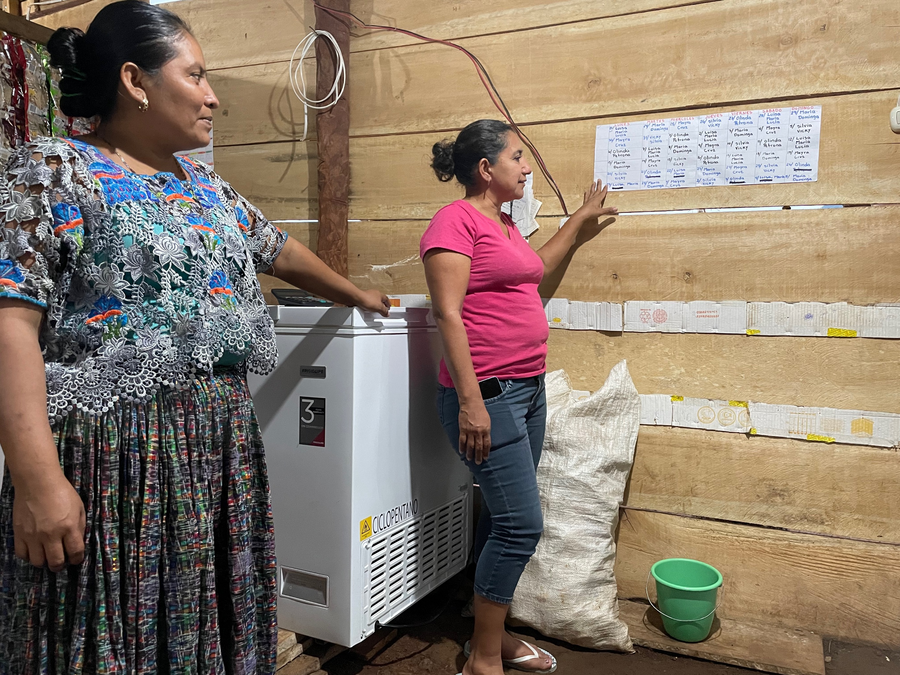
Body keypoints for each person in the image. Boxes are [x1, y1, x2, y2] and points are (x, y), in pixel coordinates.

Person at [0, 2, 389, 673]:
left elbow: (279, 249)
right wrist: (38, 482)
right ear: (135, 80)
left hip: (219, 452)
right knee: (110, 634)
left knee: (202, 626)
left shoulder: (209, 190)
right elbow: (10, 324)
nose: (213, 96)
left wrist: (354, 293)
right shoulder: (56, 169)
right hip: (113, 461)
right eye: (197, 75)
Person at [421, 119, 617, 675]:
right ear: (486, 169)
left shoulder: (503, 224)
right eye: (517, 158)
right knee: (521, 525)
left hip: (526, 390)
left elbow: (535, 270)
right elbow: (448, 314)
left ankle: (493, 637)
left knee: (502, 517)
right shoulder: (453, 222)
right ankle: (483, 658)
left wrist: (577, 223)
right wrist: (470, 402)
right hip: (489, 393)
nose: (527, 168)